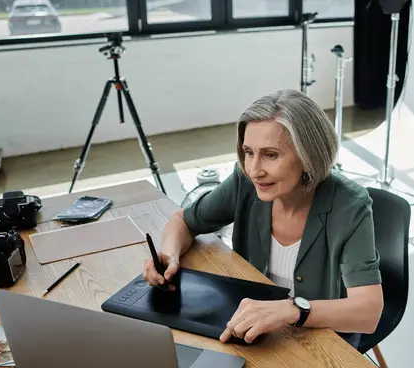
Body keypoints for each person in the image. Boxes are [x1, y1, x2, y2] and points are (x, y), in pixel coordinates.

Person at [143, 89, 383, 348]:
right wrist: (170, 255)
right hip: (251, 331)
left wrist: (293, 310)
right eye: (248, 152)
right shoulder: (244, 181)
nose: (254, 170)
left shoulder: (349, 205)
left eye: (271, 155)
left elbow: (368, 313)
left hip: (321, 342)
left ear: (308, 156)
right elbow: (184, 221)